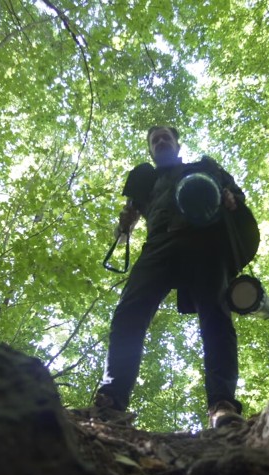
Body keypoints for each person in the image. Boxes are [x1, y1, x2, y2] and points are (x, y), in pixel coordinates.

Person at [94, 126, 252, 428]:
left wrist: (231, 198)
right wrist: (123, 226)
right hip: (158, 246)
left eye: (166, 137)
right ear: (151, 151)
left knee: (217, 317)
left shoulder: (205, 168)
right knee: (129, 313)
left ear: (177, 145)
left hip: (205, 243)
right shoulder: (145, 183)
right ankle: (111, 402)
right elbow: (124, 229)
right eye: (155, 140)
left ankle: (223, 405)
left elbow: (236, 196)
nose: (161, 141)